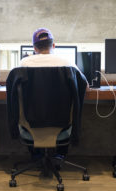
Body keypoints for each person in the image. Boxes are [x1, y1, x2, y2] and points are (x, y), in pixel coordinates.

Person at [18, 28, 87, 158]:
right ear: (53, 45)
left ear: (34, 48)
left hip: (31, 124)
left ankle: (36, 155)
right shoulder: (68, 64)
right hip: (62, 124)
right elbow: (85, 85)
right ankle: (60, 154)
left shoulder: (23, 64)